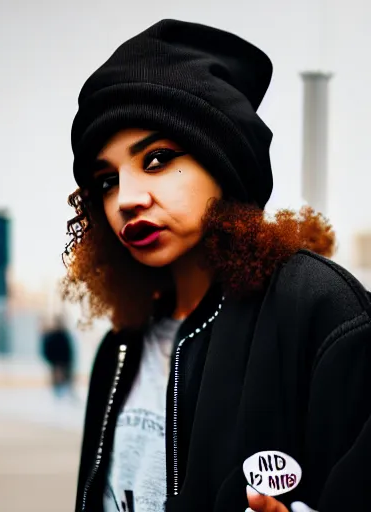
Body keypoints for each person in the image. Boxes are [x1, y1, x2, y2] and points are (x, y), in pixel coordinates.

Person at [61, 19, 371, 512]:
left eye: (157, 159)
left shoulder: (319, 309)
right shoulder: (120, 348)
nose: (126, 198)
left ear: (223, 161)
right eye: (106, 180)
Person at [41, 314, 76, 399]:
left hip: (62, 362)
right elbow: (47, 350)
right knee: (59, 380)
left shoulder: (64, 335)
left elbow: (69, 350)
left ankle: (64, 394)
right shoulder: (53, 336)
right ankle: (59, 394)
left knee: (64, 380)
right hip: (57, 362)